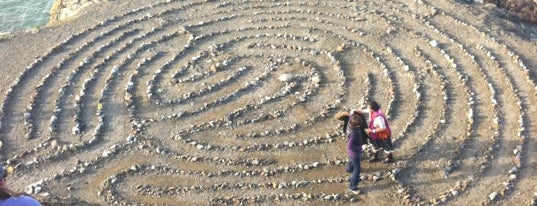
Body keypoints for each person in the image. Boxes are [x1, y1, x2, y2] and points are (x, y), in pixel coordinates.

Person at [345, 110, 368, 194]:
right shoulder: (354, 134)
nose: (360, 126)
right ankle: (353, 187)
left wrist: (355, 111)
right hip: (354, 153)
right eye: (359, 125)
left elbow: (351, 112)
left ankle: (348, 168)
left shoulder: (350, 121)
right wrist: (360, 147)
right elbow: (350, 146)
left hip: (351, 153)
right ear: (356, 125)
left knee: (351, 160)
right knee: (357, 170)